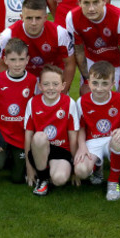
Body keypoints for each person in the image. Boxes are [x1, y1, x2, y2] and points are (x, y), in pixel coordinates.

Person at [0, 38, 38, 182]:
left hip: (22, 137)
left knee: (18, 179)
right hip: (3, 134)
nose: (17, 64)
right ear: (5, 60)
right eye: (12, 59)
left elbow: (37, 112)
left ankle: (12, 156)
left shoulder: (33, 81)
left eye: (21, 59)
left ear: (27, 60)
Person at [66, 0, 120, 98]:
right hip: (93, 58)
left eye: (96, 2)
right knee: (87, 95)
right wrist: (86, 80)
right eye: (86, 3)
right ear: (79, 3)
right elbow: (79, 51)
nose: (91, 8)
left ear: (104, 1)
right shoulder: (72, 18)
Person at [0, 0, 75, 91]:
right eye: (29, 18)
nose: (33, 23)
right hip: (23, 77)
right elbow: (2, 64)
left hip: (53, 77)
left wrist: (63, 90)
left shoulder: (60, 33)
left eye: (38, 18)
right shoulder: (8, 35)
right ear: (22, 17)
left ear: (45, 18)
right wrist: (13, 88)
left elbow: (69, 64)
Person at [74, 61, 120, 201]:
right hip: (92, 141)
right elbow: (80, 127)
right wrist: (82, 146)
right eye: (95, 83)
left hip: (111, 140)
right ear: (88, 83)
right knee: (81, 171)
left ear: (112, 84)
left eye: (104, 83)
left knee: (119, 140)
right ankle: (97, 167)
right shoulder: (81, 102)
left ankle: (113, 182)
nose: (99, 88)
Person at [24, 65, 80, 196]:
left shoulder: (69, 103)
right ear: (40, 86)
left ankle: (50, 173)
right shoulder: (32, 103)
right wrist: (29, 168)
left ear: (63, 85)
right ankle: (42, 179)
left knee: (59, 179)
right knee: (38, 137)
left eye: (55, 84)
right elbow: (28, 137)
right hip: (39, 149)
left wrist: (75, 170)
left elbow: (73, 138)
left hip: (61, 151)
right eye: (46, 84)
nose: (51, 88)